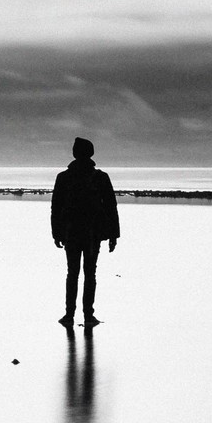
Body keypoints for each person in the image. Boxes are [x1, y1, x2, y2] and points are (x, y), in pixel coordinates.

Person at [51, 137, 119, 326]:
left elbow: (55, 208)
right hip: (89, 234)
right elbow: (111, 207)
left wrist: (56, 233)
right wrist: (113, 235)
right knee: (88, 274)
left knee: (74, 273)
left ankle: (71, 315)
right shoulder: (99, 177)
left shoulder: (65, 177)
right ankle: (85, 315)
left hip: (76, 233)